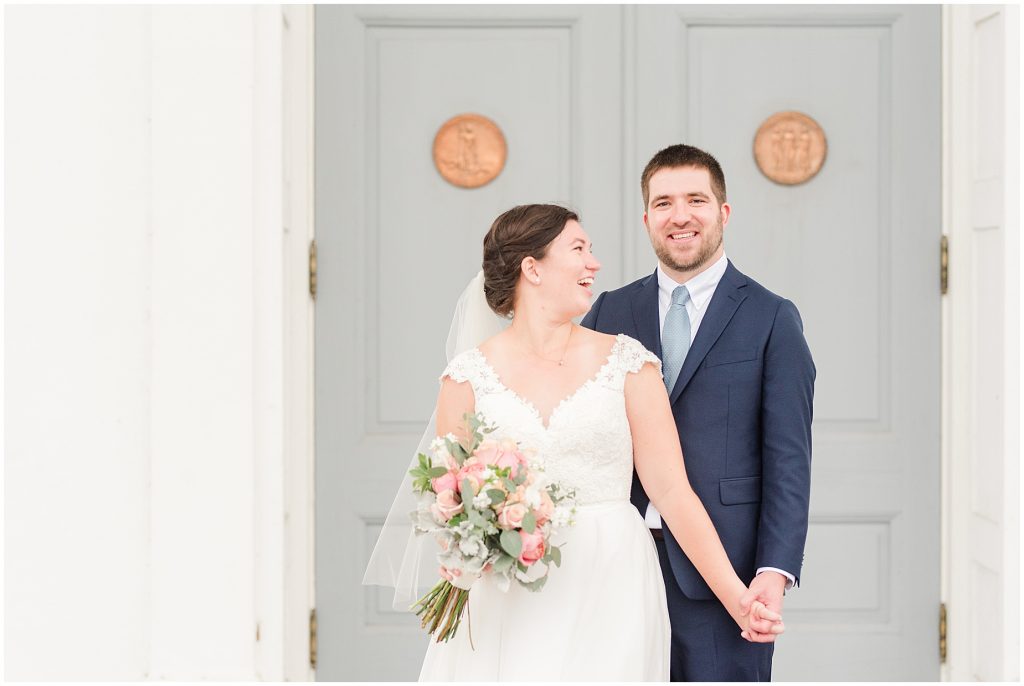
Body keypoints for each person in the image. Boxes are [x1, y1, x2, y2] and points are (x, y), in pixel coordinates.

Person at [391, 203, 784, 681]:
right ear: (532, 268)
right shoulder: (466, 378)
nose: (593, 264)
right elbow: (449, 501)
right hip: (507, 591)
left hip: (612, 582)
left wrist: (737, 599)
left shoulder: (628, 364)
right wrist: (468, 555)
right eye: (578, 249)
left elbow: (673, 493)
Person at [581, 144, 815, 681]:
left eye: (696, 200)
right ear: (646, 219)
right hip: (617, 565)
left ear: (723, 213)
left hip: (725, 572)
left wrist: (773, 573)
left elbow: (789, 461)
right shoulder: (610, 311)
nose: (680, 215)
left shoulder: (772, 317)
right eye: (663, 203)